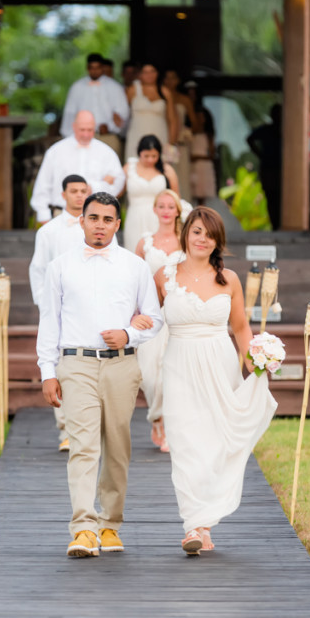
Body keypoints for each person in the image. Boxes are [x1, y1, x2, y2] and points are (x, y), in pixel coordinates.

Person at [37, 192, 164, 558]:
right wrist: (48, 371)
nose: (100, 225)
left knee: (118, 445)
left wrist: (130, 334)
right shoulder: (60, 266)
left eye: (108, 219)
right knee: (83, 445)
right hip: (76, 363)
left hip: (122, 363)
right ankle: (83, 528)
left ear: (118, 224)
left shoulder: (134, 266)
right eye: (93, 218)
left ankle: (110, 524)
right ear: (82, 221)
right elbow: (50, 322)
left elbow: (154, 317)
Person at [149, 207, 277, 555]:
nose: (202, 239)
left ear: (217, 240)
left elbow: (240, 328)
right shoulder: (164, 276)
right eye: (196, 232)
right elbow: (150, 318)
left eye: (209, 233)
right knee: (186, 442)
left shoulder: (229, 279)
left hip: (220, 364)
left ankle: (205, 520)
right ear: (185, 234)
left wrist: (258, 361)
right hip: (179, 365)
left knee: (215, 443)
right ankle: (195, 526)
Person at [29, 174, 90, 451]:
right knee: (61, 364)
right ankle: (65, 429)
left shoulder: (97, 227)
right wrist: (46, 307)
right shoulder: (49, 231)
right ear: (63, 195)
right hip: (59, 309)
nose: (79, 196)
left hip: (91, 307)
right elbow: (38, 270)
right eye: (74, 191)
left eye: (83, 191)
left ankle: (88, 426)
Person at [132, 189, 188, 453]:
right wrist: (133, 314)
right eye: (161, 206)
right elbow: (133, 281)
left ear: (177, 210)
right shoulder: (145, 243)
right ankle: (156, 417)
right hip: (151, 313)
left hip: (178, 311)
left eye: (170, 206)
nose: (166, 211)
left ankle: (169, 427)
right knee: (150, 376)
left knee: (172, 373)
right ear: (154, 210)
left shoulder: (188, 241)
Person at [30, 111, 124, 224]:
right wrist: (43, 215)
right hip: (60, 216)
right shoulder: (56, 151)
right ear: (74, 127)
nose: (86, 134)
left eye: (90, 130)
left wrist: (95, 187)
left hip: (95, 218)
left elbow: (118, 182)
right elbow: (43, 184)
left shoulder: (106, 152)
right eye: (82, 130)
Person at [61, 53, 129, 159]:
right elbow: (69, 113)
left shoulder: (115, 87)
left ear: (102, 68)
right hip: (82, 137)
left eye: (97, 68)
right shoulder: (77, 87)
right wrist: (69, 137)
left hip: (107, 136)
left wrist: (110, 126)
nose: (95, 71)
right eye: (92, 68)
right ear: (87, 68)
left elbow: (123, 112)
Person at [121, 134, 178, 251]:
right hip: (135, 218)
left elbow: (176, 198)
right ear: (139, 152)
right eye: (146, 156)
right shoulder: (129, 168)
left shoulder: (167, 170)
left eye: (154, 156)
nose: (150, 160)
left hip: (160, 217)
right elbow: (118, 192)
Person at [125, 63, 177, 162]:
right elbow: (124, 113)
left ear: (157, 73)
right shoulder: (132, 90)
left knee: (160, 167)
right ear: (140, 75)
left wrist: (171, 144)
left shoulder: (165, 92)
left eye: (152, 71)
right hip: (136, 134)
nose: (149, 75)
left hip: (160, 134)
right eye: (145, 72)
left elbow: (172, 119)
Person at [247, 104, 283, 229]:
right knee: (271, 197)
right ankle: (275, 225)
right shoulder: (267, 129)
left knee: (279, 197)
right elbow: (249, 138)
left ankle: (279, 224)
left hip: (281, 169)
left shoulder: (286, 130)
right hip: (269, 167)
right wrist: (260, 154)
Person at [163, 69, 198, 199]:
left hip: (179, 146)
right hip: (163, 142)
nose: (169, 81)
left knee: (181, 178)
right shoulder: (160, 97)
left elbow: (195, 123)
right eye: (167, 78)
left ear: (177, 81)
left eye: (173, 78)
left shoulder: (184, 99)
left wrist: (186, 132)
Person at [186, 82, 217, 204]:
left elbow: (212, 153)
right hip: (191, 166)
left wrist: (196, 157)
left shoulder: (207, 135)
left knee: (202, 194)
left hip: (202, 167)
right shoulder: (189, 133)